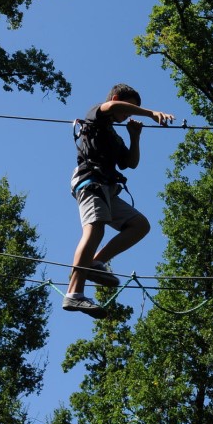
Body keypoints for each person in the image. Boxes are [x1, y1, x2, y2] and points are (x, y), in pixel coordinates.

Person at [63, 83, 174, 318]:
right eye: (130, 109)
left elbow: (130, 163)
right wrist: (152, 113)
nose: (130, 114)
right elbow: (113, 106)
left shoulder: (114, 136)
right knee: (95, 230)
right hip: (91, 181)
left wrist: (135, 137)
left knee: (140, 225)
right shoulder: (96, 115)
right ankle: (74, 294)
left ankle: (95, 262)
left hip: (109, 189)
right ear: (116, 99)